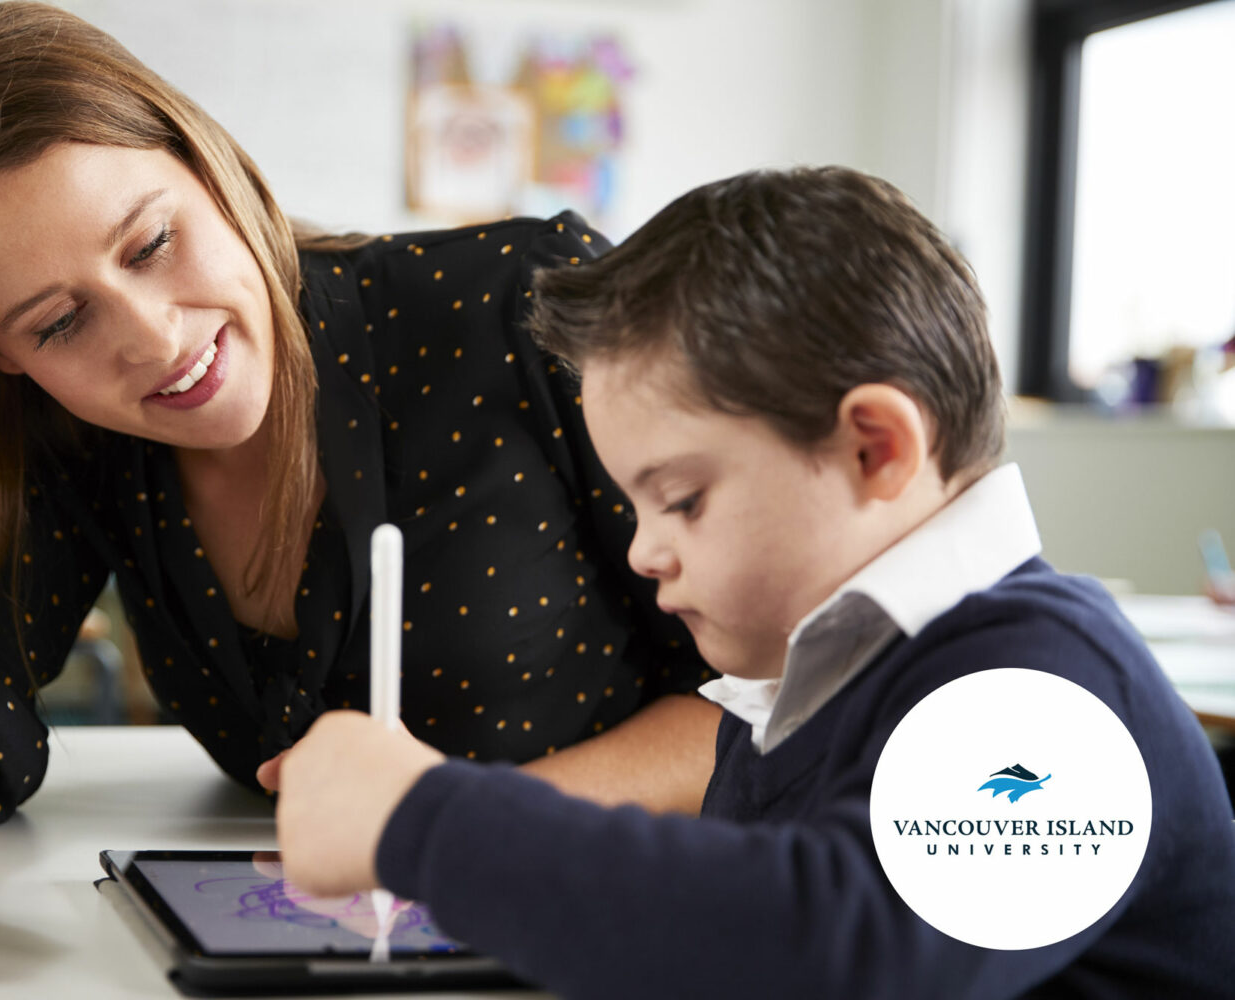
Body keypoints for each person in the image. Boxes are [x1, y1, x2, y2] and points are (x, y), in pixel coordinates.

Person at [0, 1, 721, 969]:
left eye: (152, 243)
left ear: (206, 162)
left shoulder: (524, 303)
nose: (156, 338)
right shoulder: (72, 434)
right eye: (55, 323)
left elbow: (790, 695)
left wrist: (459, 825)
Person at [273, 167, 1235, 997]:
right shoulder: (797, 680)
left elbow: (835, 952)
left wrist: (425, 820)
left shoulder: (1059, 702)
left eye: (681, 499)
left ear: (875, 448)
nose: (644, 551)